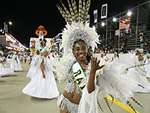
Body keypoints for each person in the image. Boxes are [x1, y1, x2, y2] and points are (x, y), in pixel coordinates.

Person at [56, 0, 140, 112]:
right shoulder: (70, 63)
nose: (80, 51)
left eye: (83, 48)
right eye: (77, 49)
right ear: (72, 51)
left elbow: (90, 92)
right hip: (65, 103)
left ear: (87, 49)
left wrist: (93, 72)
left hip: (80, 108)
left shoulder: (94, 65)